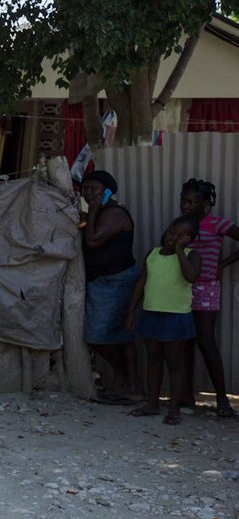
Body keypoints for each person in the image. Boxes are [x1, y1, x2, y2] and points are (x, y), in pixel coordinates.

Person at [126, 215, 202, 425]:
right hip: (151, 313)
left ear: (190, 239)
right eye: (171, 232)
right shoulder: (153, 254)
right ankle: (152, 403)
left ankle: (174, 408)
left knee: (176, 363)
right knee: (153, 359)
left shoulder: (192, 255)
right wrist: (131, 312)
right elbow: (141, 284)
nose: (173, 237)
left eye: (180, 236)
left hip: (176, 317)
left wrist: (179, 251)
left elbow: (191, 277)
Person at [177, 178, 238, 417]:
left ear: (205, 203)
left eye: (192, 201)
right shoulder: (181, 225)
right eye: (184, 200)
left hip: (206, 288)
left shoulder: (216, 224)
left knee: (205, 340)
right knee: (184, 342)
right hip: (181, 287)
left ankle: (222, 399)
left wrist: (222, 264)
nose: (186, 205)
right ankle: (185, 395)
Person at [81, 170, 141, 403]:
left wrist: (93, 211)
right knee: (118, 337)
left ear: (107, 191)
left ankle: (126, 380)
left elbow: (94, 240)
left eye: (93, 188)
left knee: (101, 336)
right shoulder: (99, 213)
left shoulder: (114, 213)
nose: (87, 193)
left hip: (117, 281)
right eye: (85, 189)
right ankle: (128, 384)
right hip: (102, 281)